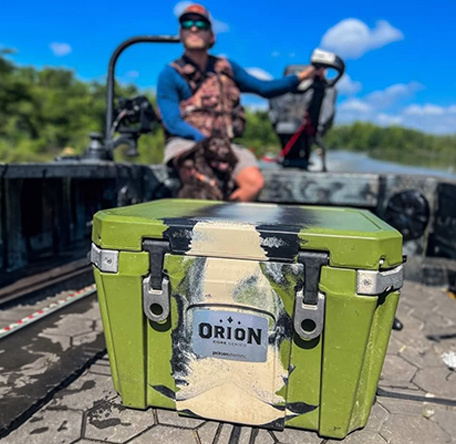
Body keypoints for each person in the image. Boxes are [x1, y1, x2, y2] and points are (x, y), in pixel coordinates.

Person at [157, 3, 322, 202]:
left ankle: (222, 221)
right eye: (187, 23)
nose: (193, 27)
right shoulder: (170, 74)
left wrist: (306, 75)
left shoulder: (226, 68)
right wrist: (205, 142)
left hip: (224, 145)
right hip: (186, 143)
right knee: (203, 184)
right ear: (180, 33)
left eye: (201, 24)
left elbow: (265, 88)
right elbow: (173, 122)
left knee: (253, 182)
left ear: (212, 36)